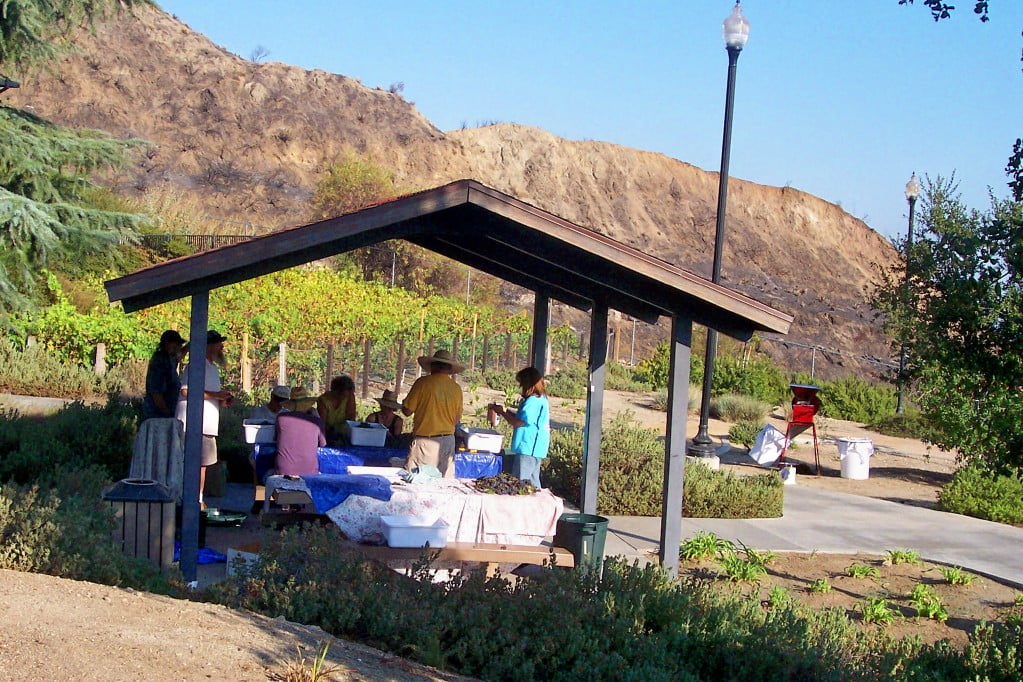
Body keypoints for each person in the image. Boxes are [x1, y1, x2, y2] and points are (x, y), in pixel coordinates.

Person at [175, 329, 234, 509]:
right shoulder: (196, 365)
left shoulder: (212, 368)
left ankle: (197, 499)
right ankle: (186, 499)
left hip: (206, 423)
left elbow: (209, 395)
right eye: (218, 343)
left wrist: (222, 400)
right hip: (192, 422)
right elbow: (185, 391)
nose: (221, 346)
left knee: (203, 464)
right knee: (191, 463)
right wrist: (216, 395)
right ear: (208, 347)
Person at [401, 349, 464, 478]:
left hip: (426, 442)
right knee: (443, 485)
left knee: (419, 482)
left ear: (433, 366)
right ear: (449, 369)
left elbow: (407, 411)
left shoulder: (423, 383)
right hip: (448, 441)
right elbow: (456, 419)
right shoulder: (456, 388)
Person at [491, 366, 550, 488]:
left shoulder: (533, 401)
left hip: (528, 446)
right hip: (536, 448)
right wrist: (505, 411)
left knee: (521, 483)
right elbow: (522, 417)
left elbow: (519, 422)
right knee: (534, 483)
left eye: (522, 383)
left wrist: (502, 413)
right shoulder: (541, 399)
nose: (520, 387)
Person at [274, 390, 326, 477]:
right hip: (310, 473)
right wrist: (317, 417)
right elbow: (323, 444)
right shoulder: (316, 421)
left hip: (284, 472)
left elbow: (275, 438)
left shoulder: (281, 418)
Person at [142, 330, 186, 421]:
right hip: (158, 417)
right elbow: (157, 394)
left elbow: (180, 354)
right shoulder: (160, 362)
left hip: (164, 415)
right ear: (167, 344)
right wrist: (168, 414)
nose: (179, 347)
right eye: (176, 344)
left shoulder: (170, 359)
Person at [317, 375, 357, 447]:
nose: (345, 398)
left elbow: (351, 418)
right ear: (335, 392)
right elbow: (322, 424)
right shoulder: (323, 400)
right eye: (343, 395)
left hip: (345, 435)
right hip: (327, 435)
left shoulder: (350, 396)